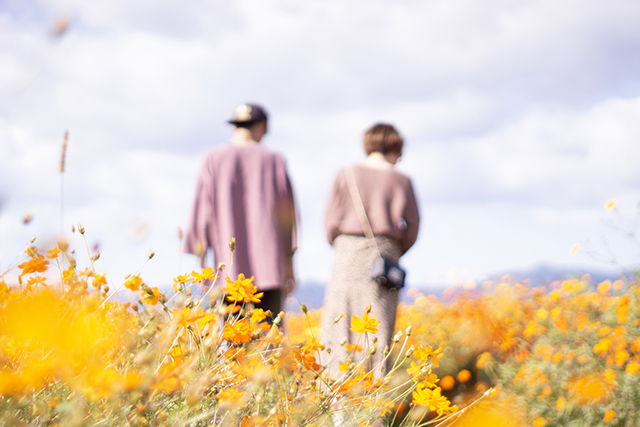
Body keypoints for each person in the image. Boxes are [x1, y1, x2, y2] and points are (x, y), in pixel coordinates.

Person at [321, 123, 420, 379]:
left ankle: (336, 400)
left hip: (346, 253)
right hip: (385, 256)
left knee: (339, 321)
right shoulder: (402, 179)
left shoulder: (346, 173)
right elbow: (413, 227)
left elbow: (330, 222)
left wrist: (344, 244)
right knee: (378, 325)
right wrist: (393, 248)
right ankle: (371, 401)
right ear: (395, 146)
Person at [184, 103, 297, 317]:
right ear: (262, 127)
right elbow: (287, 218)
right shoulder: (275, 160)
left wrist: (202, 265)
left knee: (233, 341)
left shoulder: (212, 158)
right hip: (271, 266)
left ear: (233, 127)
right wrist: (290, 265)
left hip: (227, 269)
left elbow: (202, 213)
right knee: (269, 339)